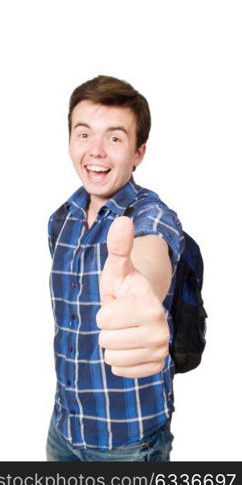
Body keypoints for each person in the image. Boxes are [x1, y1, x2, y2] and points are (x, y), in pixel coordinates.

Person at [46, 75, 184, 461]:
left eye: (115, 138)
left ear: (139, 152)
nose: (97, 152)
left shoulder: (152, 216)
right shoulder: (62, 220)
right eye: (84, 134)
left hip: (128, 443)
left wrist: (142, 288)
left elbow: (150, 256)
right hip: (64, 431)